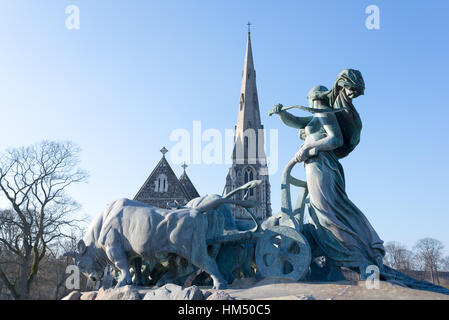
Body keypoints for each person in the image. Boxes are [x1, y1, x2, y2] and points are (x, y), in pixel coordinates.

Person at [270, 69, 385, 279]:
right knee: (323, 215)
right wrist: (281, 114)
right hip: (317, 167)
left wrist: (308, 148)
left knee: (328, 215)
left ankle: (357, 256)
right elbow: (296, 121)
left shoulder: (324, 112)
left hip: (322, 167)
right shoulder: (317, 117)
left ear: (315, 99)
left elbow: (335, 140)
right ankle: (336, 263)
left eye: (311, 101)